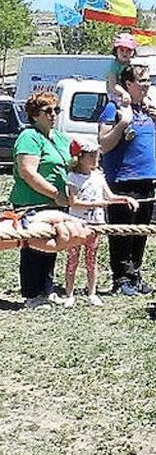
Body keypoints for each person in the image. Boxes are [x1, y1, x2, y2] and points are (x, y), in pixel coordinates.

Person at [98, 65, 156, 295]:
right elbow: (104, 143)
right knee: (122, 232)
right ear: (128, 84)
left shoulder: (146, 109)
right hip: (122, 180)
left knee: (141, 231)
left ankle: (135, 275)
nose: (147, 85)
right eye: (142, 81)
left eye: (149, 80)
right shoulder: (113, 109)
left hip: (148, 179)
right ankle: (121, 280)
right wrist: (122, 124)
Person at [11, 92, 74, 306]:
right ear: (35, 115)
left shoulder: (60, 138)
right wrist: (55, 194)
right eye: (48, 111)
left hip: (57, 205)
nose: (53, 115)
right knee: (34, 247)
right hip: (32, 202)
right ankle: (31, 293)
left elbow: (72, 164)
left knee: (52, 244)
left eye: (56, 110)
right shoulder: (29, 137)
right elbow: (28, 172)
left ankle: (46, 289)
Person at [63, 141, 138, 307]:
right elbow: (73, 202)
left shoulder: (98, 176)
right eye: (91, 155)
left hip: (96, 224)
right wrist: (97, 203)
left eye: (96, 155)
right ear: (80, 158)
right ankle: (69, 294)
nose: (96, 158)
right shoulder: (72, 177)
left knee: (92, 259)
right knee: (73, 258)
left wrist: (125, 199)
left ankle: (92, 293)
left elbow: (109, 197)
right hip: (77, 224)